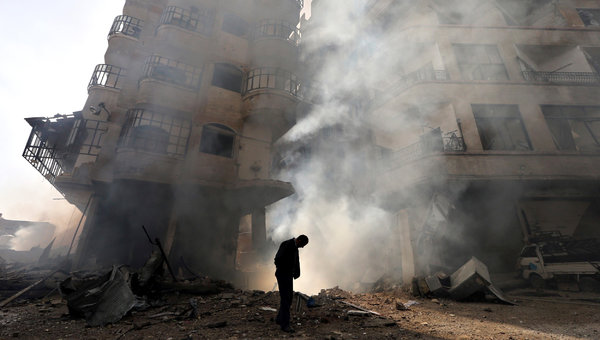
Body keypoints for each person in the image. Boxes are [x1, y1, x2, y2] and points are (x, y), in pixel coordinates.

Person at [274, 234, 309, 333]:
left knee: (288, 298)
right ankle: (285, 325)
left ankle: (280, 319)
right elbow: (277, 259)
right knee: (286, 299)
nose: (302, 247)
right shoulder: (287, 244)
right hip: (283, 275)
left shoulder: (294, 246)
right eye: (302, 245)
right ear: (299, 240)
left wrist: (295, 272)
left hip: (288, 276)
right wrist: (284, 270)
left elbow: (295, 261)